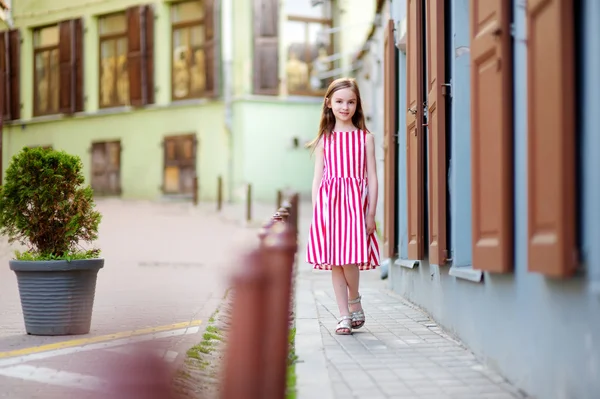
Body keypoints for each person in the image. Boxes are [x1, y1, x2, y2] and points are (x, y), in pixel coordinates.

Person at [305, 77, 380, 335]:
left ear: (357, 105)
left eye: (350, 102)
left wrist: (371, 213)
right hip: (330, 207)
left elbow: (372, 177)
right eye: (339, 101)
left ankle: (355, 297)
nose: (344, 107)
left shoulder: (364, 138)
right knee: (336, 262)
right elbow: (318, 179)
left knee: (349, 259)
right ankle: (344, 315)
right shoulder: (325, 139)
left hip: (354, 208)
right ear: (328, 104)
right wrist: (318, 212)